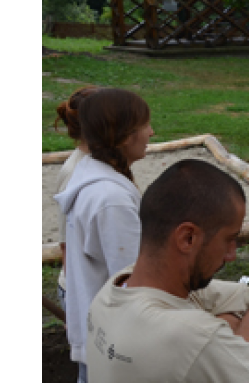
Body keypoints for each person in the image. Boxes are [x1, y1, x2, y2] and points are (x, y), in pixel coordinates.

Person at [87, 159, 249, 382]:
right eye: (229, 239)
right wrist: (229, 341)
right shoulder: (194, 338)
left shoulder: (112, 292)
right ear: (187, 238)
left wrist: (235, 347)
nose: (231, 254)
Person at [54, 88, 154, 382]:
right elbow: (132, 283)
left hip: (98, 333)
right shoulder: (111, 199)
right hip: (116, 343)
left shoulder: (92, 176)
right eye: (145, 125)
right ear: (124, 137)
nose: (152, 132)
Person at [52, 86, 101, 311]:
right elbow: (66, 243)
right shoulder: (76, 172)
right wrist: (76, 303)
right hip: (85, 292)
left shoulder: (102, 164)